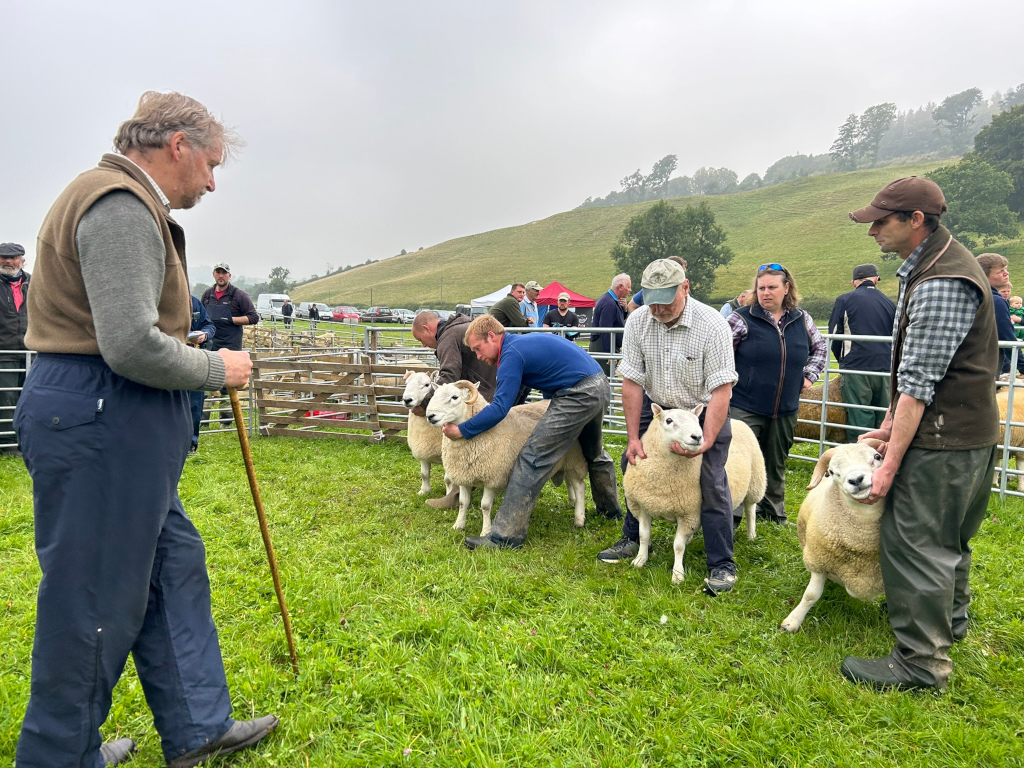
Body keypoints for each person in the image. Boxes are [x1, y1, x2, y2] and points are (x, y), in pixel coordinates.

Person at [14, 91, 277, 767]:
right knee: (94, 594)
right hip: (102, 411)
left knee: (171, 565)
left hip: (106, 414)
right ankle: (58, 756)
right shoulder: (122, 206)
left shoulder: (113, 198)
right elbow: (127, 345)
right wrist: (215, 366)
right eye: (211, 164)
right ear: (177, 146)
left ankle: (195, 724)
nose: (212, 182)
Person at [842, 176, 998, 692]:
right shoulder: (937, 265)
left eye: (881, 222)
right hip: (961, 432)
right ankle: (947, 627)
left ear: (916, 221)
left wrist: (888, 464)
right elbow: (919, 376)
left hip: (944, 439)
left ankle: (921, 662)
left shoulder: (940, 282)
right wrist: (887, 426)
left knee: (918, 543)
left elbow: (918, 386)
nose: (873, 233)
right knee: (950, 539)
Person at [596, 259, 740, 595]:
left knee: (712, 478)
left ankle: (721, 563)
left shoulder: (712, 326)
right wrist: (634, 437)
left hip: (702, 409)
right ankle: (631, 538)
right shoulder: (638, 322)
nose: (658, 308)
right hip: (658, 406)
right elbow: (631, 381)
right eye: (651, 299)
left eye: (666, 300)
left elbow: (721, 391)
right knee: (633, 462)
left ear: (685, 288)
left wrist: (706, 442)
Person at [447, 314, 623, 550]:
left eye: (478, 349)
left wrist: (463, 430)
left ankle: (506, 536)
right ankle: (609, 510)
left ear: (492, 336)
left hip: (577, 394)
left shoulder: (510, 354)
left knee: (533, 456)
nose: (478, 356)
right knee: (593, 451)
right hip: (597, 385)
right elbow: (552, 373)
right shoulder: (521, 344)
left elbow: (500, 407)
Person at [727, 264, 827, 525]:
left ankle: (773, 512)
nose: (765, 293)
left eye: (772, 287)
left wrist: (808, 377)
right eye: (761, 288)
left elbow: (820, 349)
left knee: (777, 459)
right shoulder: (741, 318)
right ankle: (732, 514)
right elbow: (721, 353)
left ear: (786, 288)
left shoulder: (801, 319)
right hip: (745, 405)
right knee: (739, 459)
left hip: (785, 406)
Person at [412, 310, 498, 509]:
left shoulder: (448, 336)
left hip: (483, 392)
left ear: (427, 328)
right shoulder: (460, 328)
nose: (423, 344)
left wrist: (425, 405)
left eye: (420, 338)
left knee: (465, 441)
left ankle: (457, 494)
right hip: (496, 386)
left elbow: (448, 375)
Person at [828, 264, 897, 442]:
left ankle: (860, 459)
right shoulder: (889, 303)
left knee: (860, 416)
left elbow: (835, 334)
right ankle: (881, 460)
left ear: (854, 283)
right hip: (886, 367)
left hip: (857, 366)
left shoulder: (845, 300)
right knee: (883, 415)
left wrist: (843, 361)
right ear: (875, 280)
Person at [201, 262, 258, 424]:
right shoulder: (207, 294)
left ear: (229, 276)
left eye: (224, 273)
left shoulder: (239, 295)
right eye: (218, 272)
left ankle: (226, 419)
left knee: (227, 382)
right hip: (210, 342)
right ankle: (203, 418)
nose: (221, 275)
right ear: (213, 274)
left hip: (230, 343)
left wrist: (230, 319)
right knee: (207, 379)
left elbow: (253, 317)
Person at [0, 242, 29, 455]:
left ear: (22, 260)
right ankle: (7, 446)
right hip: (4, 352)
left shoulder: (35, 283)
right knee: (6, 398)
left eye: (14, 257)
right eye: (3, 257)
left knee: (29, 397)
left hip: (31, 352)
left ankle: (26, 442)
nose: (8, 261)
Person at [976, 253, 1021, 375]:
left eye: (1006, 269)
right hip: (986, 361)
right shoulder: (995, 301)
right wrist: (1022, 366)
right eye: (1000, 271)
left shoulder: (973, 294)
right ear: (985, 275)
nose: (1006, 273)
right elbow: (1006, 335)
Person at [187, 295, 216, 454]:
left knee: (195, 403)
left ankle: (191, 443)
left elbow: (209, 325)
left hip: (195, 359)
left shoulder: (194, 302)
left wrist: (204, 334)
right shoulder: (162, 300)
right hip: (169, 362)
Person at [589, 273, 631, 375]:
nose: (630, 290)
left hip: (606, 346)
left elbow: (616, 322)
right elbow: (605, 330)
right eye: (628, 287)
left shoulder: (612, 301)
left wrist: (625, 310)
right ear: (620, 287)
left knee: (606, 379)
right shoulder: (609, 303)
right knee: (604, 379)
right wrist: (609, 354)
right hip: (603, 347)